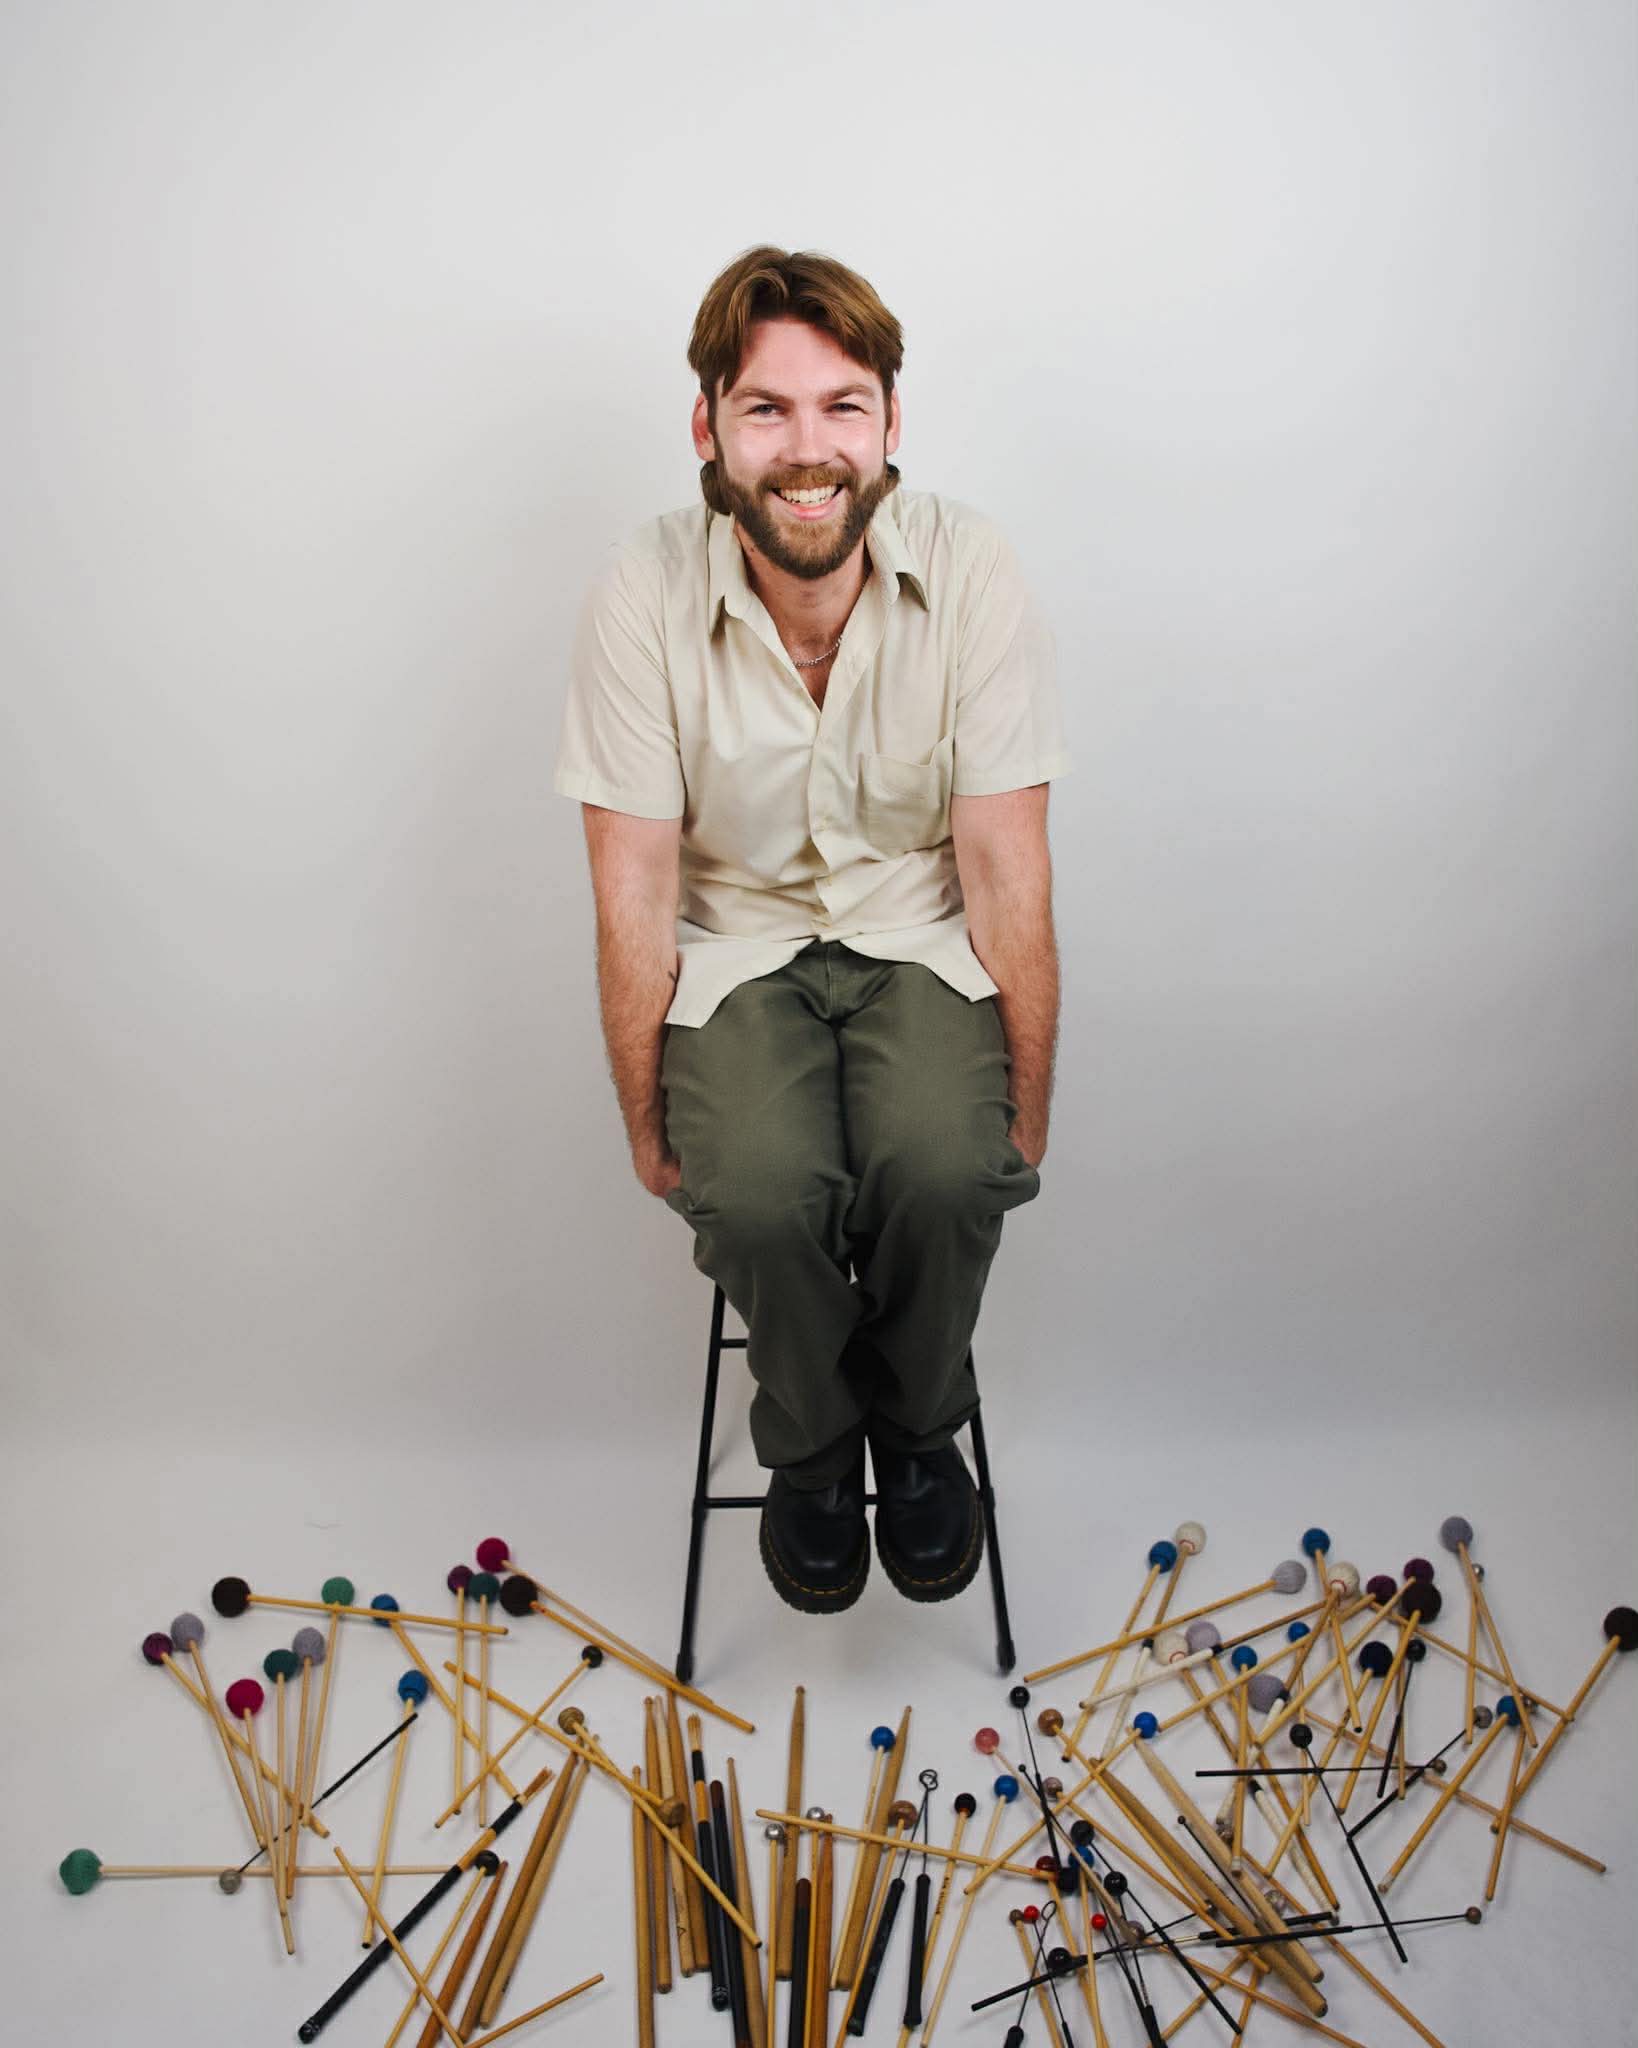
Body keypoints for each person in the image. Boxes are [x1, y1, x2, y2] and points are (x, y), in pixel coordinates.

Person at [553, 246, 1071, 1616]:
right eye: (765, 409)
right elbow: (632, 884)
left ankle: (917, 1428)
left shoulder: (971, 569)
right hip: (734, 953)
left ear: (890, 424)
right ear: (708, 429)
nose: (807, 449)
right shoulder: (642, 590)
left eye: (842, 406)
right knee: (760, 1194)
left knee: (947, 1171)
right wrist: (645, 1126)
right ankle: (815, 1446)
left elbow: (1004, 860)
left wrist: (1025, 1112)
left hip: (920, 939)